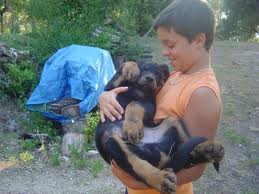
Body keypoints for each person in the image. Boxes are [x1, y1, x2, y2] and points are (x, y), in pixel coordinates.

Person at [98, 0, 222, 193]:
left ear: (199, 40)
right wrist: (106, 96)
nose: (164, 52)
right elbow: (135, 96)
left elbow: (195, 170)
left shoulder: (203, 94)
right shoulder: (174, 76)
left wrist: (139, 181)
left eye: (170, 44)